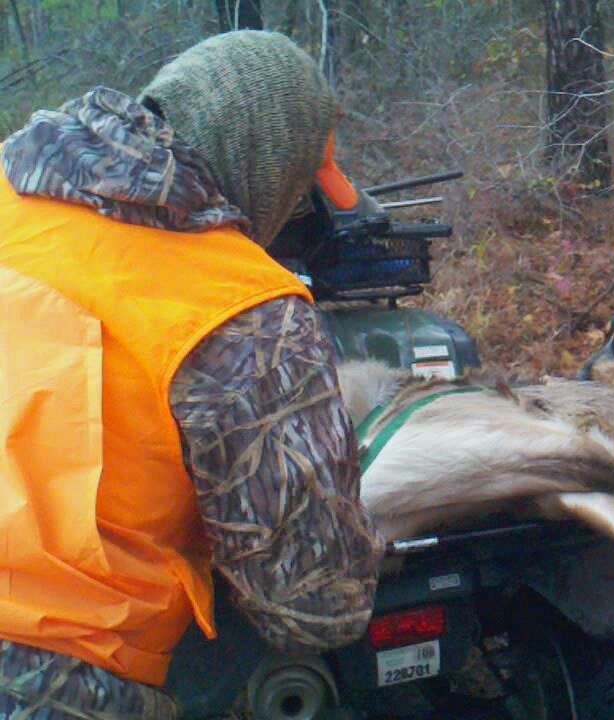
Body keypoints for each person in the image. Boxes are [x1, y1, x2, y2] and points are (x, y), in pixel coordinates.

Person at [0, 31, 383, 717]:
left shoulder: (9, 196)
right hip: (60, 680)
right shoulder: (241, 312)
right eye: (297, 191)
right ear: (266, 166)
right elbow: (316, 606)